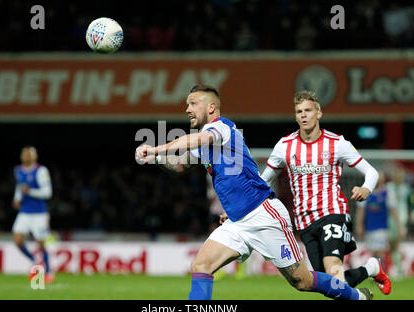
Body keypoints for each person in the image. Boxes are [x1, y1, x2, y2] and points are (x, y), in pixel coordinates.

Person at [136, 84, 372, 300]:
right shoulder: (206, 144)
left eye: (192, 103)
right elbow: (180, 164)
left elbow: (199, 138)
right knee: (201, 265)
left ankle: (356, 297)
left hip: (264, 215)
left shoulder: (222, 128)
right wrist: (154, 157)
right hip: (237, 222)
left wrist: (157, 145)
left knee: (303, 281)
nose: (187, 109)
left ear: (211, 107)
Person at [260, 90, 391, 294]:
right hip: (304, 221)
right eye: (299, 111)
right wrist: (242, 207)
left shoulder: (337, 143)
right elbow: (263, 181)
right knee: (327, 284)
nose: (303, 115)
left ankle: (361, 295)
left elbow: (371, 172)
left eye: (308, 110)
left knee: (333, 269)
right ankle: (371, 269)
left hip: (332, 213)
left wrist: (366, 188)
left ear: (319, 113)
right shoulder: (284, 146)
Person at [356, 170, 406, 285]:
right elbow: (361, 211)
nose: (380, 179)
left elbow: (393, 211)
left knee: (380, 252)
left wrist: (400, 226)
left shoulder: (387, 193)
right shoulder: (365, 192)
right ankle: (376, 275)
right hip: (370, 228)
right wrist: (359, 225)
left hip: (382, 228)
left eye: (381, 177)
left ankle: (380, 277)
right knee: (374, 252)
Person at [12, 146, 54, 284]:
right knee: (17, 240)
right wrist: (17, 198)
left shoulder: (41, 171)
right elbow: (20, 186)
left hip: (39, 213)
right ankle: (36, 262)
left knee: (41, 244)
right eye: (24, 153)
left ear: (35, 157)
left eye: (29, 154)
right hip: (25, 211)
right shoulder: (18, 170)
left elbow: (47, 193)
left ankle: (48, 272)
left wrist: (29, 191)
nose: (26, 156)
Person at [386, 165, 410, 280]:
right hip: (388, 220)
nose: (399, 177)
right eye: (397, 175)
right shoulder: (388, 187)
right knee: (392, 246)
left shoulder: (407, 189)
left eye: (401, 175)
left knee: (395, 245)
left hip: (401, 219)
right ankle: (399, 269)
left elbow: (410, 204)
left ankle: (400, 271)